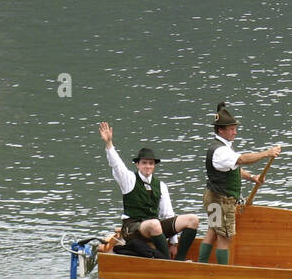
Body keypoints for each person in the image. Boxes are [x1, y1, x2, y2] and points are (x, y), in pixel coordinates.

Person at [98, 122, 199, 259]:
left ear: (154, 166)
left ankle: (179, 260)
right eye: (144, 163)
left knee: (193, 219)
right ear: (137, 164)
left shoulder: (161, 185)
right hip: (132, 229)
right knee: (155, 223)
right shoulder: (129, 179)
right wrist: (109, 144)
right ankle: (168, 262)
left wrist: (173, 243)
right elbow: (117, 165)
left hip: (153, 227)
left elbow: (168, 214)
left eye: (151, 163)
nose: (148, 166)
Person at [201, 102, 281, 265]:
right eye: (231, 129)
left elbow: (233, 169)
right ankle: (222, 273)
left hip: (214, 197)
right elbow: (241, 160)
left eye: (235, 128)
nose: (235, 132)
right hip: (221, 200)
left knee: (213, 230)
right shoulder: (221, 150)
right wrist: (267, 153)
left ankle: (201, 266)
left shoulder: (223, 148)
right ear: (220, 130)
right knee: (224, 236)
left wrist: (252, 178)